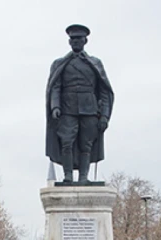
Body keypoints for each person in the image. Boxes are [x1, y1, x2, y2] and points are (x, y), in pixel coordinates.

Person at [45, 24, 114, 184]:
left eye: (79, 39)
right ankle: (68, 176)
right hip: (67, 108)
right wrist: (55, 106)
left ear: (85, 41)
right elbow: (55, 87)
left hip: (89, 109)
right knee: (66, 142)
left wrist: (104, 115)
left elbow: (104, 90)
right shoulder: (60, 63)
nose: (76, 42)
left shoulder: (95, 63)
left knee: (86, 144)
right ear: (69, 42)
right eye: (73, 39)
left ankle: (84, 177)